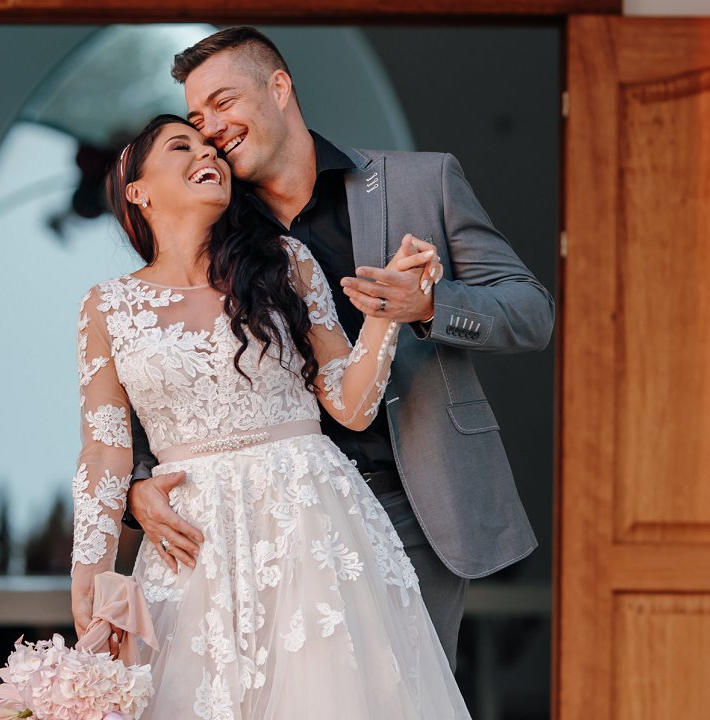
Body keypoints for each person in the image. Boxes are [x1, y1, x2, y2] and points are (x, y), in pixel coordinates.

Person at [124, 26, 555, 668]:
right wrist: (137, 483)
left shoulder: (423, 182)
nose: (210, 129)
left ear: (279, 87)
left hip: (413, 504)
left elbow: (532, 311)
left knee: (404, 699)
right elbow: (161, 350)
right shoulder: (212, 219)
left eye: (223, 102)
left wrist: (429, 306)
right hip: (273, 524)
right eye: (196, 119)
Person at [70, 113, 472, 717]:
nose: (208, 154)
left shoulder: (286, 262)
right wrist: (90, 572)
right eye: (182, 146)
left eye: (211, 148)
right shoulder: (107, 306)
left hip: (309, 523)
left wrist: (387, 311)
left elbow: (352, 406)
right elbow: (105, 449)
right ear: (138, 192)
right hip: (193, 544)